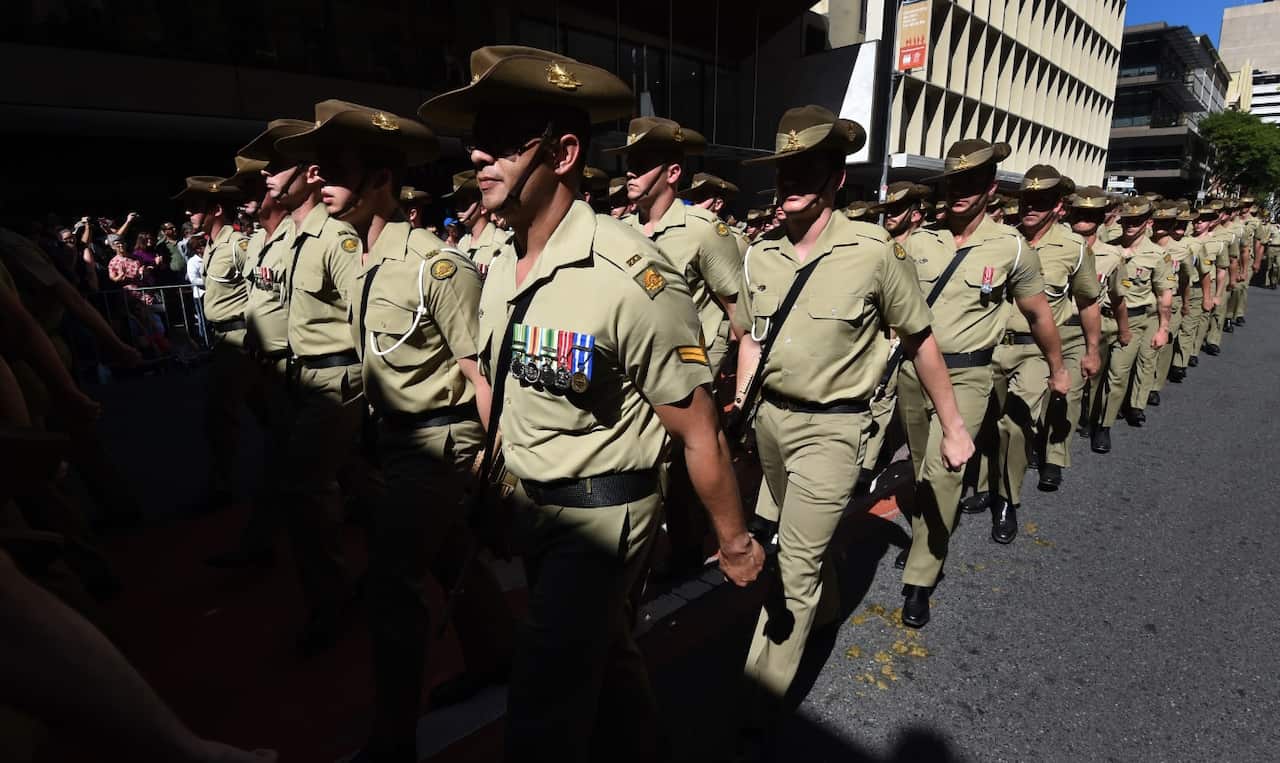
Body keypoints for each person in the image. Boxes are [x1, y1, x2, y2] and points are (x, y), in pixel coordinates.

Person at [419, 45, 763, 761]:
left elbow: (698, 427)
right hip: (533, 506)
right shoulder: (497, 261)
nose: (480, 157)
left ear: (564, 152)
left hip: (601, 525)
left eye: (504, 143)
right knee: (606, 664)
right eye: (474, 142)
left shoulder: (627, 272)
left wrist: (731, 538)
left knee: (541, 708)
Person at [730, 107, 972, 751]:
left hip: (835, 430)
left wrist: (951, 424)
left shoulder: (872, 253)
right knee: (781, 537)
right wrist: (741, 408)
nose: (792, 183)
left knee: (794, 564)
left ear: (836, 177)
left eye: (807, 170)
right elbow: (752, 340)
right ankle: (829, 606)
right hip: (771, 423)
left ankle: (758, 699)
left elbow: (919, 340)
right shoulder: (760, 254)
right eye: (784, 171)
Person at [281, 99, 514, 762]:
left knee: (391, 584)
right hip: (396, 437)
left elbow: (480, 378)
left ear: (381, 180)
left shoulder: (434, 266)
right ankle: (497, 653)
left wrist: (497, 478)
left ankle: (393, 735)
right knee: (447, 558)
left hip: (438, 445)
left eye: (336, 170)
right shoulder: (362, 259)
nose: (319, 180)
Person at [896, 139, 1065, 624]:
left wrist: (1057, 366)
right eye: (954, 183)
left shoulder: (1011, 248)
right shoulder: (918, 241)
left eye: (971, 183)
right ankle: (925, 534)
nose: (960, 192)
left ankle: (921, 577)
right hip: (912, 372)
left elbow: (1038, 315)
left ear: (990, 188)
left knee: (947, 469)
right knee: (922, 471)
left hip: (970, 374)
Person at [272, 102, 370, 656]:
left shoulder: (335, 238)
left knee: (308, 494)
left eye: (280, 166)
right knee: (342, 488)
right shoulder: (299, 236)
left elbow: (364, 322)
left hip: (333, 384)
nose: (268, 176)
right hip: (304, 380)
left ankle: (332, 603)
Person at [204, 120, 313, 570]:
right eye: (248, 184)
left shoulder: (301, 238)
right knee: (288, 466)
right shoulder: (261, 243)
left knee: (309, 474)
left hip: (308, 376)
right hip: (272, 367)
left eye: (260, 180)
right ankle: (261, 545)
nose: (252, 191)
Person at [991, 165, 1099, 506]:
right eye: (1026, 199)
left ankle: (1008, 500)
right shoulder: (1000, 240)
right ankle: (981, 487)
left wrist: (1092, 350)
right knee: (986, 421)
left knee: (1014, 424)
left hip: (1038, 349)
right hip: (992, 347)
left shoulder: (1074, 247)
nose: (1031, 207)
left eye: (1042, 200)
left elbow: (1087, 301)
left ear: (1058, 206)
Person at [608, 116, 744, 372]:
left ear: (672, 173)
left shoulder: (703, 230)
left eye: (642, 164)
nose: (630, 172)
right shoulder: (621, 229)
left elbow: (736, 311)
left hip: (688, 369)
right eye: (629, 163)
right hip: (633, 363)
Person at [176, 177, 251, 508]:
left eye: (195, 208)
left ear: (217, 209)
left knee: (221, 416)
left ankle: (224, 488)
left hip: (241, 340)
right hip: (224, 340)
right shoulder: (212, 246)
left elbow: (258, 293)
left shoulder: (237, 245)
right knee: (266, 415)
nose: (190, 213)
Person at [1089, 198, 1172, 453]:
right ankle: (1087, 415)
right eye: (1127, 220)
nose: (1130, 225)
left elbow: (1163, 295)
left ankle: (1104, 426)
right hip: (1102, 317)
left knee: (1118, 374)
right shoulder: (1108, 249)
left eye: (1137, 221)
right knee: (1093, 374)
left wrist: (1163, 328)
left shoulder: (1157, 255)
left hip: (1135, 320)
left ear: (1148, 223)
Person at [1066, 188, 1129, 453]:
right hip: (1061, 323)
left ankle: (1097, 424)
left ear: (1102, 218)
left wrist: (1124, 330)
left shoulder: (1113, 256)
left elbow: (1117, 297)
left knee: (1094, 380)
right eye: (1079, 212)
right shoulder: (1058, 248)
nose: (1083, 219)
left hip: (1096, 325)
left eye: (1091, 214)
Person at [1148, 204, 1200, 396]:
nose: (1160, 226)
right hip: (1146, 302)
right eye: (1158, 222)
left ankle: (1154, 386)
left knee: (1164, 343)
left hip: (1173, 300)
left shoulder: (1182, 250)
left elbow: (1186, 280)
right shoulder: (1145, 245)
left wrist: (1186, 304)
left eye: (1166, 223)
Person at [447, 170, 510, 277]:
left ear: (483, 207)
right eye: (457, 202)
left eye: (465, 202)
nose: (458, 208)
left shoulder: (501, 243)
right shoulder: (463, 241)